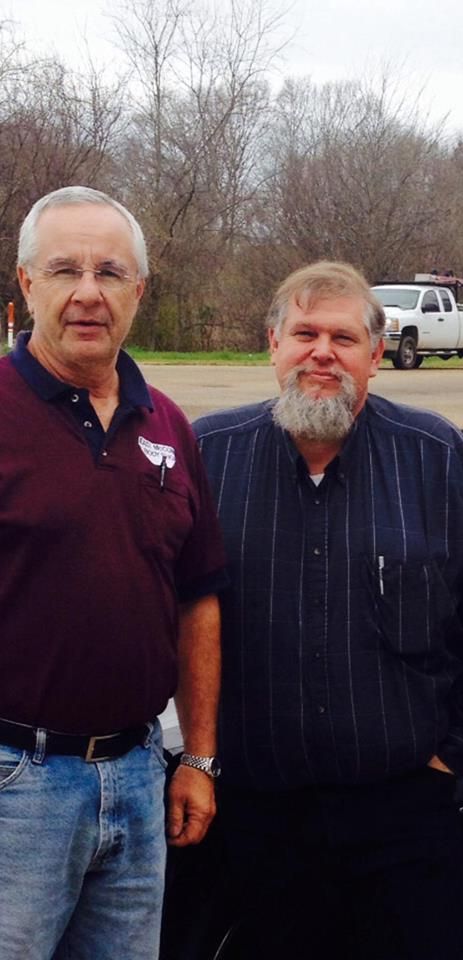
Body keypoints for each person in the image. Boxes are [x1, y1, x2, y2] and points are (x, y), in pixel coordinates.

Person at [194, 260, 463, 960]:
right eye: (304, 333)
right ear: (273, 344)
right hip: (260, 814)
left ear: (376, 355)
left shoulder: (436, 457)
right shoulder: (209, 457)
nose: (322, 352)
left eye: (343, 338)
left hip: (404, 814)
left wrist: (452, 756)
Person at [0, 186, 227, 959]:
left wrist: (196, 756)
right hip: (15, 788)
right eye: (65, 270)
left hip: (138, 777)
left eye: (110, 271)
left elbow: (197, 598)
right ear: (27, 285)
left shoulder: (166, 423)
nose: (88, 292)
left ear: (139, 291)